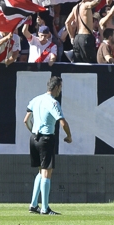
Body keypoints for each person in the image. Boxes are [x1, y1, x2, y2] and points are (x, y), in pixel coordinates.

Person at [24, 76, 72, 215]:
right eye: (60, 88)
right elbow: (62, 122)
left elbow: (26, 120)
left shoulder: (36, 99)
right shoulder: (53, 102)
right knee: (47, 171)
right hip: (46, 139)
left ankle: (33, 204)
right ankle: (45, 208)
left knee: (40, 171)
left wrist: (33, 132)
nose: (60, 91)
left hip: (34, 138)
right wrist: (69, 136)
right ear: (56, 87)